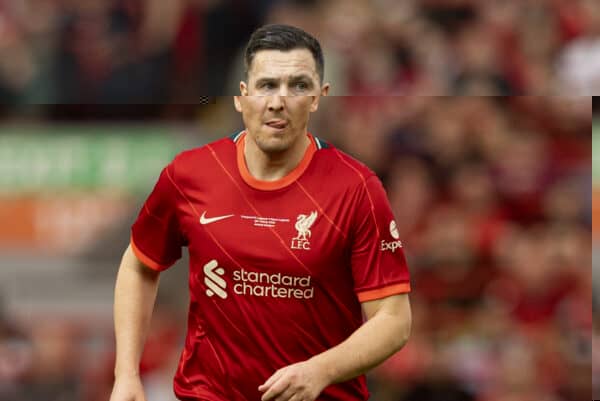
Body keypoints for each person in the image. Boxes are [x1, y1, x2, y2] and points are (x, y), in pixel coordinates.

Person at [110, 24, 412, 401]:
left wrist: (321, 370)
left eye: (298, 86)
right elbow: (139, 264)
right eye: (266, 85)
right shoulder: (190, 175)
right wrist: (126, 374)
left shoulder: (356, 189)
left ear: (319, 97)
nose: (278, 101)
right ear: (241, 97)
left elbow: (394, 320)